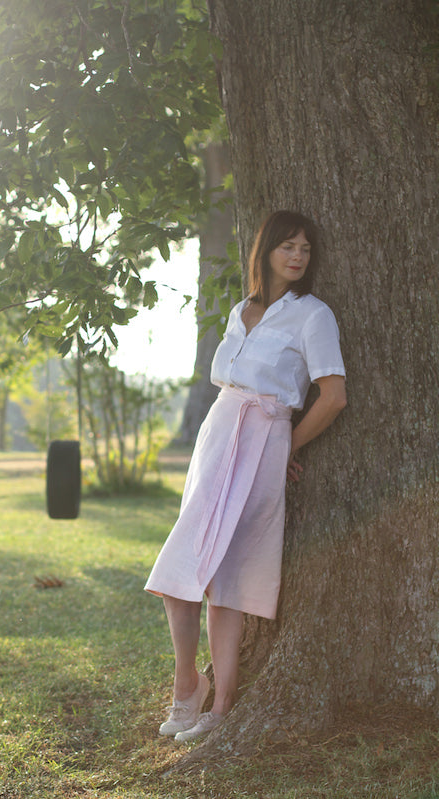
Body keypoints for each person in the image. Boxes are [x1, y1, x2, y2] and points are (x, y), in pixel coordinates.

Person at [145, 210, 347, 743]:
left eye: (305, 247)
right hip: (217, 436)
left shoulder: (313, 315)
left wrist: (287, 446)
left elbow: (333, 397)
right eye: (288, 246)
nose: (298, 256)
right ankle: (188, 683)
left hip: (264, 439)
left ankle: (221, 706)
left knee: (229, 579)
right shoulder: (243, 310)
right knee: (180, 574)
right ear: (266, 251)